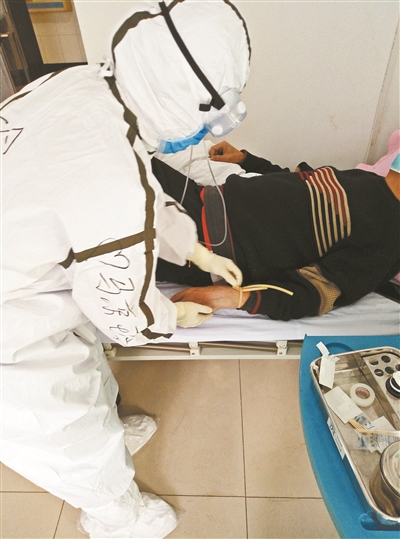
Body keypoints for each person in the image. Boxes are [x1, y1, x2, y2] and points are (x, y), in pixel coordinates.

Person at [1, 2, 250, 537]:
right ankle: (117, 518)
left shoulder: (88, 86)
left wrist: (193, 249)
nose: (208, 133)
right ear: (178, 99)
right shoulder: (109, 176)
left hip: (19, 261)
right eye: (210, 117)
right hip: (10, 324)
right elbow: (125, 313)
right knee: (64, 429)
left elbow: (137, 185)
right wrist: (174, 316)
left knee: (83, 365)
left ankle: (108, 432)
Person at [152, 141, 400, 321]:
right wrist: (246, 160)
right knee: (129, 156)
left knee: (127, 225)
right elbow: (302, 185)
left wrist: (231, 298)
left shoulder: (388, 238)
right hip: (202, 196)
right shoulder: (370, 181)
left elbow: (315, 294)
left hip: (206, 243)